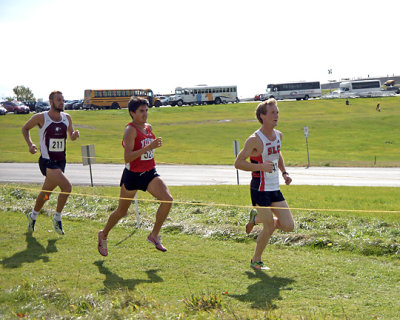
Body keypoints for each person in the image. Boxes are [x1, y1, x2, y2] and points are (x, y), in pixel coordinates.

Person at [97, 97, 173, 256]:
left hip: (150, 173)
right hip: (133, 175)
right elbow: (127, 157)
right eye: (141, 111)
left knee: (167, 200)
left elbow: (147, 148)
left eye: (146, 110)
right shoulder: (130, 130)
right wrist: (149, 147)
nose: (145, 114)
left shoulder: (148, 127)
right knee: (121, 212)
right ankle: (103, 234)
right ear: (132, 113)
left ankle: (154, 235)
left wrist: (152, 147)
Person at [234, 98, 294, 270]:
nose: (276, 115)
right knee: (269, 227)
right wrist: (260, 166)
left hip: (275, 188)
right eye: (273, 112)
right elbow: (238, 163)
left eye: (277, 112)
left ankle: (257, 217)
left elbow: (277, 153)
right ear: (263, 116)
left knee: (289, 226)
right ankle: (256, 260)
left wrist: (284, 172)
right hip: (259, 188)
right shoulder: (254, 140)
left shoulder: (279, 135)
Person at [22, 90, 80, 235]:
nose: (62, 102)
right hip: (47, 162)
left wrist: (74, 136)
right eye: (59, 100)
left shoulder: (67, 117)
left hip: (61, 161)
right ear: (51, 102)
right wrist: (30, 144)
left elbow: (71, 136)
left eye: (63, 99)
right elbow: (25, 128)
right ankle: (57, 218)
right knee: (67, 187)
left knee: (47, 193)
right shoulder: (41, 117)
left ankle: (33, 215)